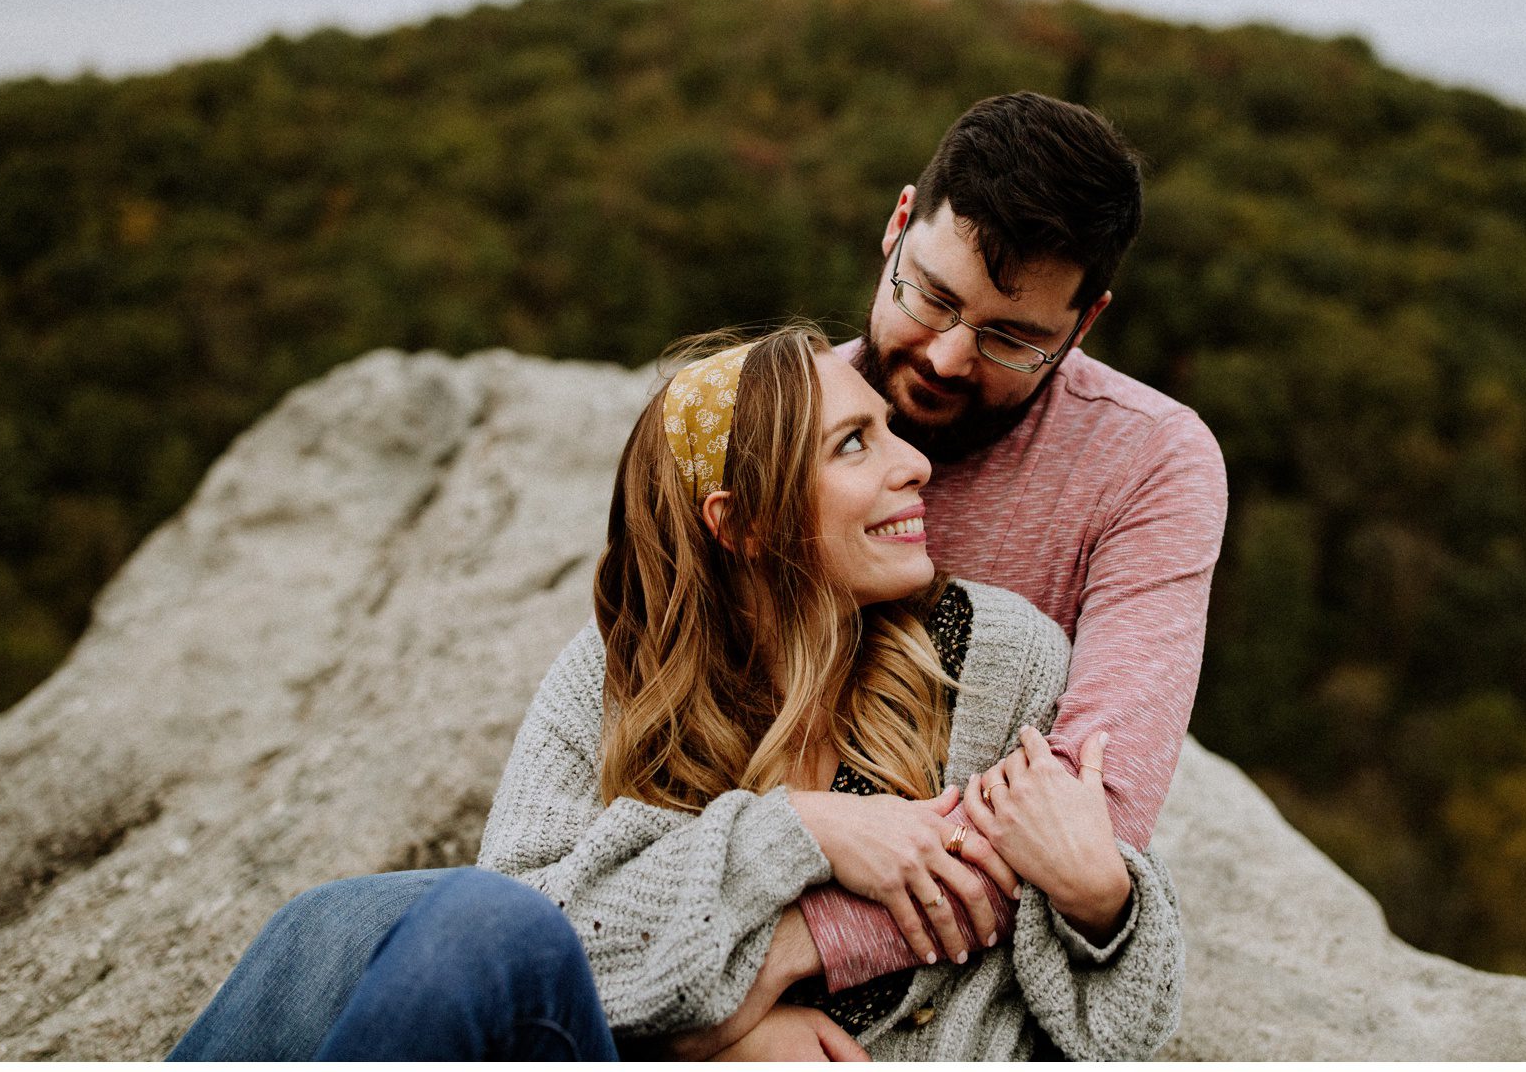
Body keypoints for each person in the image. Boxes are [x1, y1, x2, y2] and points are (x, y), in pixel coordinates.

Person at [172, 90, 1227, 1052]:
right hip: (650, 990)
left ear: (1082, 323)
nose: (944, 361)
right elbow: (551, 904)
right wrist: (753, 928)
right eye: (929, 299)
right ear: (897, 224)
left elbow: (1086, 830)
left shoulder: (1094, 535)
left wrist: (762, 972)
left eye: (1006, 337)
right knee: (347, 924)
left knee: (454, 928)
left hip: (847, 996)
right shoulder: (766, 425)